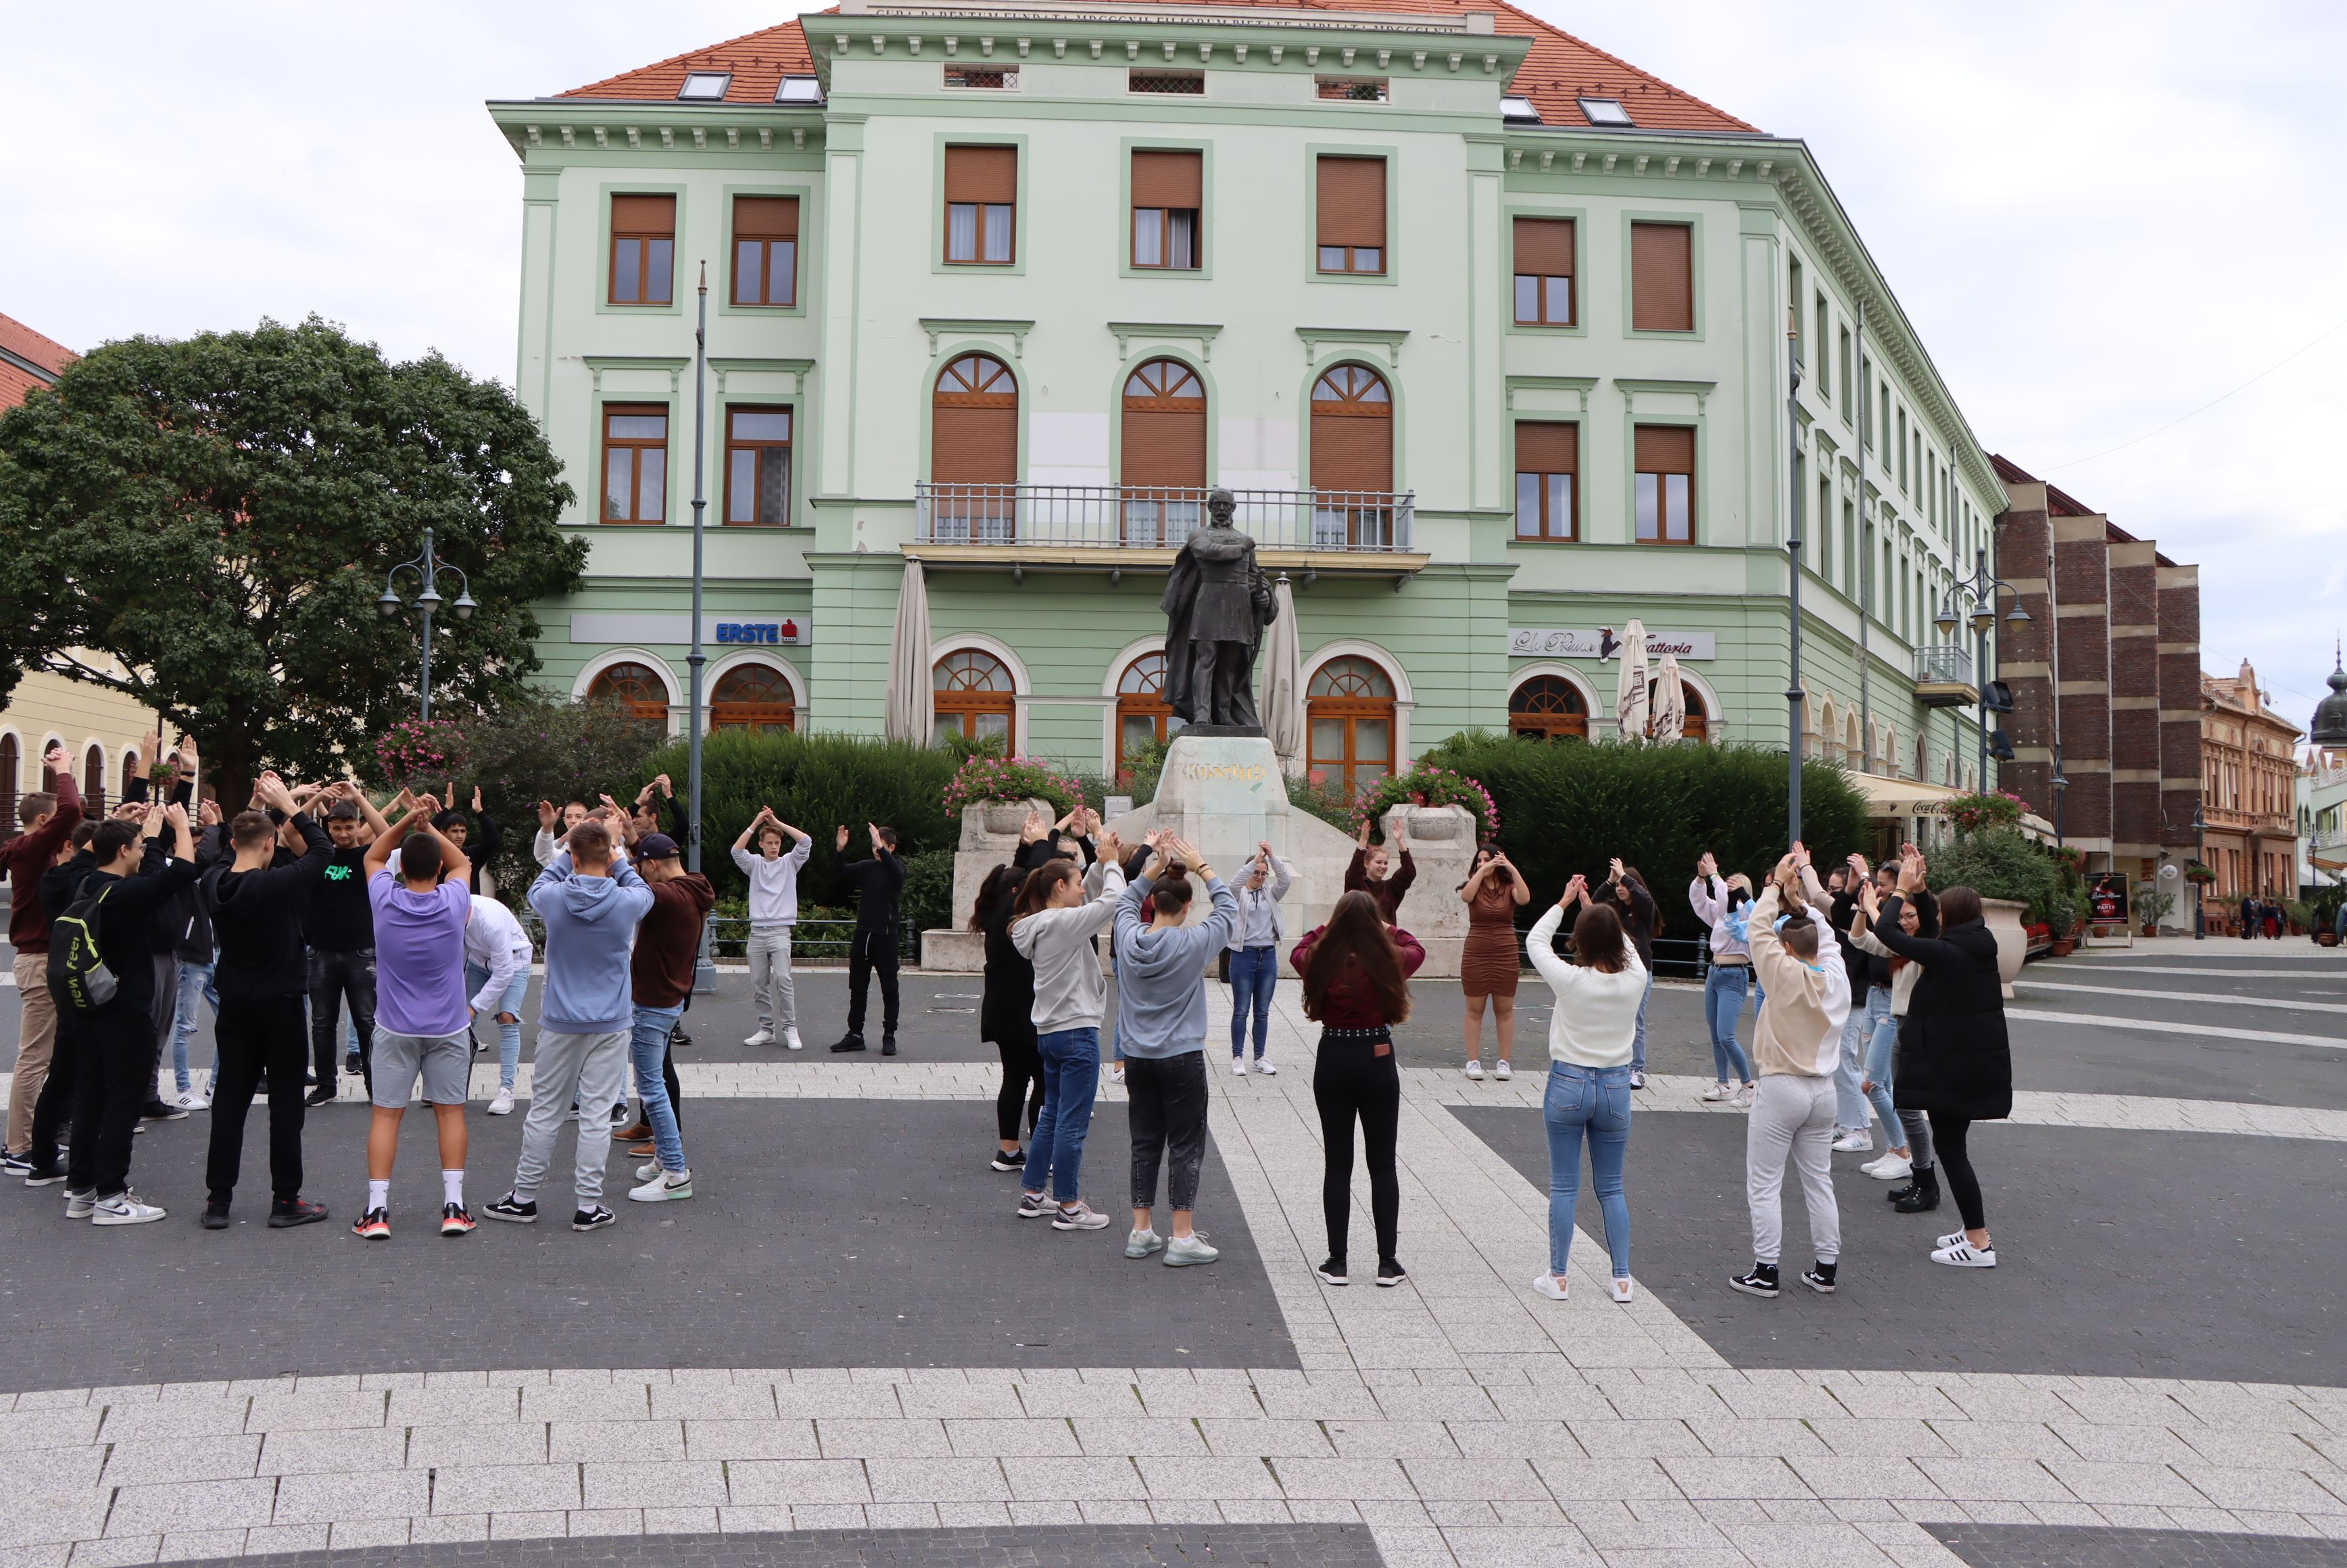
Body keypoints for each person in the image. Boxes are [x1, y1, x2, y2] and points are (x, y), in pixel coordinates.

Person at [487, 814, 653, 1231]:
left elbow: (541, 882)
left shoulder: (554, 898)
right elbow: (642, 888)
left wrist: (572, 849)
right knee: (598, 1115)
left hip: (561, 1021)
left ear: (574, 858)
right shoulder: (627, 901)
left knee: (545, 1112)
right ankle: (588, 1205)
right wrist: (614, 852)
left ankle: (524, 1197)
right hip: (611, 1022)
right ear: (608, 856)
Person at [198, 773, 333, 1229]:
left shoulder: (214, 882)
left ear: (236, 843)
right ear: (272, 844)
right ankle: (285, 1200)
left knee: (230, 1103)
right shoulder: (278, 885)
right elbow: (322, 851)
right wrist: (289, 807)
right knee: (285, 1106)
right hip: (281, 1002)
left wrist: (263, 808)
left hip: (235, 1001)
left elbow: (224, 851)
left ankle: (218, 1202)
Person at [56, 802, 200, 1225]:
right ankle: (112, 1197)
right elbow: (181, 874)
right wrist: (177, 828)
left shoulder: (85, 884)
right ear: (122, 851)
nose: (142, 853)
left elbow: (156, 875)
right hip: (126, 1014)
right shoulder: (127, 895)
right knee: (122, 1104)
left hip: (87, 1012)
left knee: (89, 1100)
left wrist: (149, 837)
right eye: (137, 847)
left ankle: (80, 1191)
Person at [1869, 844, 2012, 1268]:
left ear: (1953, 916)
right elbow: (1932, 934)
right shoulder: (1972, 945)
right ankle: (1974, 1231)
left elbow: (1889, 933)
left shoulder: (1951, 955)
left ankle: (1979, 1242)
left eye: (1941, 911)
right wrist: (1924, 889)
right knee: (1953, 1147)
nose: (1939, 920)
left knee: (1952, 1151)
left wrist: (1899, 895)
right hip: (1968, 1066)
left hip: (1956, 1069)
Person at [355, 793, 477, 1240]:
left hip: (394, 1026)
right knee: (451, 1113)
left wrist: (408, 817)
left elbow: (373, 854)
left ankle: (378, 1211)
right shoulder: (453, 902)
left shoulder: (384, 900)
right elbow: (462, 861)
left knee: (386, 1116)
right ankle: (454, 1205)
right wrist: (429, 826)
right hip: (449, 1026)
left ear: (401, 870)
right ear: (439, 870)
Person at [1728, 846, 1848, 1299]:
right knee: (1819, 1181)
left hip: (1782, 1086)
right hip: (1824, 1092)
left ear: (1786, 947)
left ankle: (1766, 1270)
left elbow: (1758, 929)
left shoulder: (1780, 973)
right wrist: (1802, 899)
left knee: (1764, 1183)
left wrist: (1778, 888)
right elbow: (1830, 940)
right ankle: (1826, 1267)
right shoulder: (1836, 977)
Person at [1113, 833, 1237, 1267]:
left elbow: (1126, 903)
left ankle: (1141, 1230)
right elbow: (1230, 910)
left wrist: (1152, 864)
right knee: (1185, 1143)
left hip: (1138, 1057)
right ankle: (1181, 1236)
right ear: (1186, 908)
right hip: (1181, 1056)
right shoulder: (1193, 942)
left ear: (1155, 903)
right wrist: (1202, 866)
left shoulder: (1128, 939)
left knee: (1144, 1142)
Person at [1525, 873, 1646, 1303]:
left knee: (1564, 1185)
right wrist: (1596, 912)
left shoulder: (1571, 980)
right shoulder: (1636, 981)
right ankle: (1622, 1280)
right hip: (1615, 1085)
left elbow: (1536, 944)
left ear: (1580, 941)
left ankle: (1558, 1277)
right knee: (1612, 1186)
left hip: (1569, 1082)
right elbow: (1624, 947)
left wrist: (1564, 903)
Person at [1293, 889, 1423, 1287]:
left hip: (1333, 1053)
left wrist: (1328, 926)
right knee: (1382, 1163)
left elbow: (1299, 949)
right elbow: (1415, 947)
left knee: (1337, 1163)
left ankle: (1338, 1260)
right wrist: (1383, 926)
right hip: (1377, 1055)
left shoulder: (1321, 959)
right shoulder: (1388, 958)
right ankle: (1387, 1262)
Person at [1009, 839, 1128, 1231]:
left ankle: (1033, 1195)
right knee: (1071, 1124)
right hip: (1077, 1032)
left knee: (1052, 1116)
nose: (1082, 889)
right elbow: (1112, 901)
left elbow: (1089, 893)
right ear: (1059, 887)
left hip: (1051, 1032)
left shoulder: (1042, 923)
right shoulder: (1063, 922)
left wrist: (1097, 861)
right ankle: (1070, 1206)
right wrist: (1111, 864)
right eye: (1075, 883)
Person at [3, 748, 81, 1174]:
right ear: (41, 823)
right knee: (34, 1058)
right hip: (38, 960)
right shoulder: (33, 851)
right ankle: (20, 1148)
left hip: (37, 959)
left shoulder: (29, 851)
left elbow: (75, 820)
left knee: (39, 1056)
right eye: (54, 825)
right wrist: (64, 770)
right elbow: (70, 810)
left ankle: (23, 1141)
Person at [623, 832, 712, 1203]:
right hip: (668, 1002)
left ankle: (676, 1173)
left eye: (643, 867)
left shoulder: (666, 896)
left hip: (651, 1005)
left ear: (654, 865)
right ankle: (664, 1160)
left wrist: (609, 847)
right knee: (656, 1084)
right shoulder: (695, 886)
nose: (642, 874)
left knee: (651, 1090)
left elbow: (629, 887)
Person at [1848, 874, 1938, 1190]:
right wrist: (1863, 909)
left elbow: (1885, 933)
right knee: (1886, 1086)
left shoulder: (1925, 945)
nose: (1905, 922)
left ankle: (1903, 1152)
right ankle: (1896, 1151)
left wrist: (1875, 906)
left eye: (1910, 916)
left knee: (1872, 1084)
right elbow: (1860, 939)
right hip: (1884, 1011)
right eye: (1901, 917)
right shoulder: (1899, 946)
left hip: (1900, 1019)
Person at [307, 788, 382, 1102]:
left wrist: (360, 799)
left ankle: (374, 1084)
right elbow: (287, 831)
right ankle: (326, 1084)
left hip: (361, 951)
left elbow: (387, 832)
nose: (343, 834)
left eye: (349, 827)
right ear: (328, 827)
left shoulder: (367, 856)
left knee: (367, 1022)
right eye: (336, 828)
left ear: (356, 825)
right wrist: (313, 799)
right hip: (320, 950)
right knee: (322, 1022)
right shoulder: (318, 854)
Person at [974, 863, 1044, 1173]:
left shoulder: (993, 915)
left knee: (1014, 1080)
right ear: (1017, 893)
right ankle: (1043, 1154)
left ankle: (1009, 1151)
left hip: (1002, 1014)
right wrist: (1045, 838)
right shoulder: (1011, 920)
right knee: (1044, 1081)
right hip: (1023, 1014)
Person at [732, 806, 814, 1050]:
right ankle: (767, 1029)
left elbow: (806, 841)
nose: (774, 847)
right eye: (769, 843)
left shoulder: (790, 862)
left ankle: (790, 1027)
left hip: (780, 931)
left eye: (777, 842)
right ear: (761, 844)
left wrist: (778, 821)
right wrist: (756, 822)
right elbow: (736, 851)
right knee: (759, 984)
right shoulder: (755, 864)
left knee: (784, 980)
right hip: (757, 932)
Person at [1688, 855, 1760, 1106]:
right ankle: (1723, 1083)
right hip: (1715, 973)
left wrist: (1715, 875)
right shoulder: (1722, 913)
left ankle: (1749, 1085)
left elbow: (1723, 897)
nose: (1727, 887)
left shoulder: (1747, 914)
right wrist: (1701, 877)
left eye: (1734, 885)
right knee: (1716, 1035)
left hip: (1734, 974)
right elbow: (1699, 901)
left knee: (1726, 1035)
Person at [829, 823, 906, 1055]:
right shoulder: (867, 868)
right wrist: (840, 850)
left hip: (887, 937)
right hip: (864, 936)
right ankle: (855, 1035)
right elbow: (840, 872)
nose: (875, 849)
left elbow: (896, 873)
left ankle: (889, 1035)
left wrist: (880, 846)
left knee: (889, 989)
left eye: (880, 845)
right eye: (873, 845)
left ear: (891, 847)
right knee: (858, 988)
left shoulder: (898, 869)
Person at [1458, 843, 1530, 1081]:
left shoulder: (1509, 887)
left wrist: (1511, 867)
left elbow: (1525, 898)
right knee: (1474, 1008)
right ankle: (1473, 1061)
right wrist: (1481, 871)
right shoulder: (1474, 886)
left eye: (1487, 859)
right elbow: (1466, 896)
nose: (1482, 863)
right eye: (1479, 860)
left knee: (1504, 1009)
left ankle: (1503, 1062)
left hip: (1505, 951)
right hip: (1476, 951)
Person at [464, 886, 534, 1117]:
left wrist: (475, 1007)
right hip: (478, 961)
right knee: (461, 1024)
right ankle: (452, 1084)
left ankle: (506, 1091)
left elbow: (503, 973)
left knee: (507, 1017)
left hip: (513, 962)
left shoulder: (490, 920)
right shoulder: (448, 911)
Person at [1825, 860, 1877, 1155]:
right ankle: (1846, 1123)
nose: (1833, 894)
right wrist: (1847, 889)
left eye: (1837, 887)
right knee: (1838, 1060)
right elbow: (1838, 912)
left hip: (1857, 993)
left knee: (1846, 1058)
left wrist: (1865, 879)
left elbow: (1844, 915)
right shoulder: (1849, 912)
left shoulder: (1871, 912)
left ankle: (1861, 1129)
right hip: (1842, 991)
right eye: (1831, 888)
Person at [1226, 840, 1290, 1077]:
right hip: (1244, 954)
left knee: (1262, 1011)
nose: (1260, 877)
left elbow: (1285, 881)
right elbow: (1233, 883)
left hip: (1268, 954)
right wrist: (1254, 861)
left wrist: (1272, 857)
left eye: (1264, 873)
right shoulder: (1238, 894)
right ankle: (1237, 1057)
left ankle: (1260, 1057)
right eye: (1256, 872)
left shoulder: (1270, 893)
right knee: (1241, 1009)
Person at [1593, 859, 1658, 1089]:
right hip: (1615, 971)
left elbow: (1646, 899)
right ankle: (1614, 1065)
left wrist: (1625, 875)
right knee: (1613, 1018)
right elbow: (1595, 904)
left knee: (1636, 1021)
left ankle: (1637, 1069)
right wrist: (1610, 880)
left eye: (1624, 884)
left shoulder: (1644, 911)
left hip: (1640, 974)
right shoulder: (1615, 910)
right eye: (1618, 885)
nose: (1621, 888)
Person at [432, 787, 502, 896]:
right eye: (455, 831)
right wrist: (446, 809)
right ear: (443, 833)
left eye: (463, 831)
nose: (459, 836)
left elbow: (494, 839)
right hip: (444, 908)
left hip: (470, 909)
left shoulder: (473, 854)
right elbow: (428, 833)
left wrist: (480, 812)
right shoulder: (437, 855)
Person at [1344, 818, 1414, 925]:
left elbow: (1409, 872)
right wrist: (1363, 839)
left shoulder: (1391, 888)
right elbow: (1354, 871)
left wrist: (1400, 841)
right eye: (1378, 862)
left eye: (1386, 863)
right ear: (1366, 863)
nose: (1383, 866)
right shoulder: (1357, 887)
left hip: (1386, 939)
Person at [532, 800, 591, 868]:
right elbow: (544, 854)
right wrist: (547, 828)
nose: (573, 821)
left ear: (587, 819)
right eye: (569, 817)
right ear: (564, 820)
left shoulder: (594, 844)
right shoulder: (563, 845)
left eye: (578, 817)